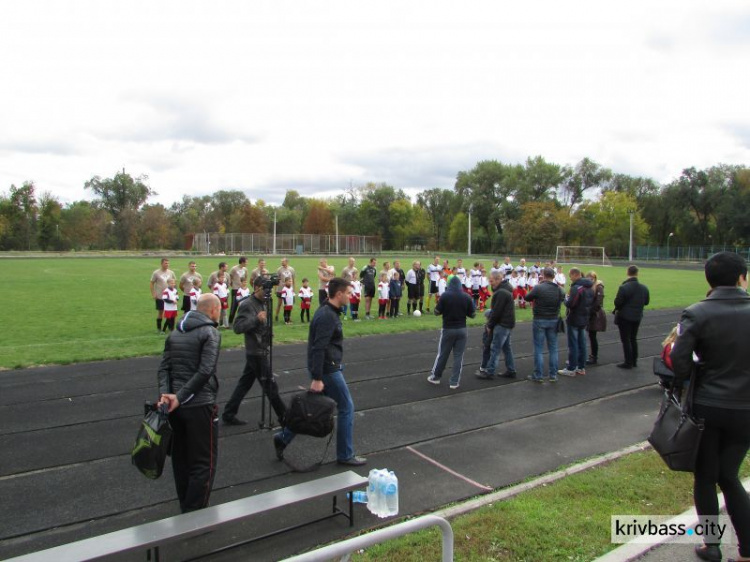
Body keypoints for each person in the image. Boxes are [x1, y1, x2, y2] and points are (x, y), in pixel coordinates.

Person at [670, 252, 750, 562]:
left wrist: (699, 372)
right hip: (746, 409)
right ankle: (746, 550)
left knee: (705, 475)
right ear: (741, 277)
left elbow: (679, 362)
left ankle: (711, 545)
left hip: (708, 405)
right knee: (729, 475)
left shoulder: (697, 312)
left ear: (709, 279)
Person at [274, 278, 367, 466]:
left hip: (325, 369)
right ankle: (345, 455)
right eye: (349, 293)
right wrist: (317, 377)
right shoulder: (327, 316)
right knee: (346, 407)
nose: (352, 296)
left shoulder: (329, 311)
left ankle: (283, 438)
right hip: (327, 370)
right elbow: (318, 348)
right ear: (339, 294)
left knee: (310, 409)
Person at [157, 293, 222, 513]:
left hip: (175, 407)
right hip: (200, 405)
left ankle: (185, 506)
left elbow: (164, 368)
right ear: (214, 310)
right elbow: (206, 370)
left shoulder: (175, 332)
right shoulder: (210, 332)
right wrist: (181, 396)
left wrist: (167, 395)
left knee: (181, 460)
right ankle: (195, 514)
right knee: (204, 462)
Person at [223, 277, 287, 427]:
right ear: (257, 287)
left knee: (244, 384)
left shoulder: (263, 302)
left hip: (261, 348)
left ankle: (228, 413)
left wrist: (267, 331)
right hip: (255, 351)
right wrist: (256, 320)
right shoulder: (247, 304)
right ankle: (284, 417)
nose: (267, 292)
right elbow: (238, 328)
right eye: (264, 289)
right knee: (270, 386)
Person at [427, 276, 476, 389]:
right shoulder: (466, 296)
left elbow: (436, 312)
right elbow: (473, 315)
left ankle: (436, 377)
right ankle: (454, 382)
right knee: (458, 356)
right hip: (462, 329)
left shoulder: (445, 296)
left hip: (448, 329)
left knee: (443, 354)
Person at [524, 267, 565, 383]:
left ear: (543, 275)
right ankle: (553, 375)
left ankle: (539, 374)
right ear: (553, 276)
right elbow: (562, 298)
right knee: (553, 348)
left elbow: (527, 297)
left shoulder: (538, 288)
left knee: (538, 348)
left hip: (540, 318)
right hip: (553, 319)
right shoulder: (559, 289)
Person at [476, 271, 516, 380]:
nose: (490, 283)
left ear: (498, 279)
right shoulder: (505, 289)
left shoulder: (501, 292)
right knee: (507, 348)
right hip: (508, 323)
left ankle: (490, 372)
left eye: (492, 281)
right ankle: (511, 370)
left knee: (495, 348)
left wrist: (490, 325)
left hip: (502, 324)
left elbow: (496, 311)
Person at [558, 268, 594, 377]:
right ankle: (581, 367)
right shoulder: (589, 287)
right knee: (582, 343)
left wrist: (565, 299)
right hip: (584, 318)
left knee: (573, 344)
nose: (570, 278)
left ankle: (571, 368)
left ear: (575, 275)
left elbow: (571, 304)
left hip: (574, 319)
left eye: (570, 276)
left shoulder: (576, 288)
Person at [613, 265, 650, 369]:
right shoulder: (644, 288)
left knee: (626, 340)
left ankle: (628, 362)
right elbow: (646, 302)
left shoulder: (624, 287)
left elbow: (617, 302)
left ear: (627, 272)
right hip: (637, 316)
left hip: (625, 317)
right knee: (633, 338)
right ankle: (634, 360)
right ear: (637, 273)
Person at [585, 271, 606, 365]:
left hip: (595, 314)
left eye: (591, 278)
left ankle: (594, 356)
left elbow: (598, 302)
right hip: (591, 313)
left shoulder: (598, 287)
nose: (590, 280)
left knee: (593, 336)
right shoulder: (590, 287)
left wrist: (590, 311)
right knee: (591, 335)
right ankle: (593, 356)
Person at [150, 258, 176, 333]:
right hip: (160, 296)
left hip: (170, 297)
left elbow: (174, 283)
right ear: (161, 264)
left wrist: (174, 293)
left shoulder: (171, 273)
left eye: (168, 263)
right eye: (165, 263)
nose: (167, 265)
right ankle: (159, 328)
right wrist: (153, 293)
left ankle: (170, 327)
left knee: (170, 312)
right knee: (160, 312)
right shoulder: (156, 273)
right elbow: (151, 283)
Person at [228, 257, 248, 325]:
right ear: (242, 262)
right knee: (234, 306)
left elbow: (245, 278)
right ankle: (230, 322)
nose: (247, 263)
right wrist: (232, 284)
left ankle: (241, 321)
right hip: (235, 289)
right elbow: (230, 276)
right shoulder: (234, 269)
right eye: (246, 262)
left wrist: (244, 286)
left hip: (242, 290)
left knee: (243, 306)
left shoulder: (245, 269)